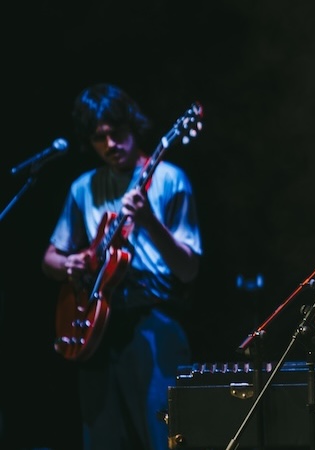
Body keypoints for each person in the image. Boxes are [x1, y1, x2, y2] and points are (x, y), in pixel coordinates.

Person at [41, 83, 202, 450]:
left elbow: (189, 269)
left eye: (117, 132)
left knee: (165, 435)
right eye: (100, 138)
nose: (111, 143)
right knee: (101, 439)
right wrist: (70, 262)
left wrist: (149, 221)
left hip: (153, 320)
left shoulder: (170, 179)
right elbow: (49, 258)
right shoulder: (83, 188)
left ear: (133, 126)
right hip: (97, 327)